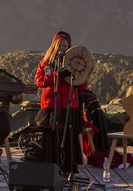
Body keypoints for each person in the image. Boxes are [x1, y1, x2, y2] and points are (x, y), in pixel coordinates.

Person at [34, 31, 87, 174]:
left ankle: (68, 167)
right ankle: (51, 168)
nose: (62, 48)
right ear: (54, 46)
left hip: (69, 105)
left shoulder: (75, 62)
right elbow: (39, 81)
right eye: (60, 45)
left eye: (65, 45)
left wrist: (79, 76)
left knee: (69, 136)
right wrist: (57, 75)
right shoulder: (45, 62)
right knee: (52, 137)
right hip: (52, 106)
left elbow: (82, 85)